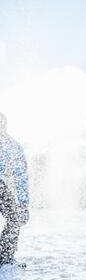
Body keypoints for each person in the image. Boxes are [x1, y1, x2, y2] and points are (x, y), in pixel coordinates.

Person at [0, 112, 29, 267]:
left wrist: (23, 202)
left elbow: (20, 175)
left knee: (15, 216)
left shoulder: (11, 146)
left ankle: (4, 256)